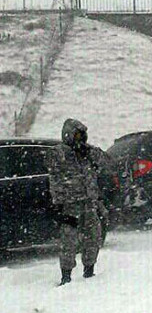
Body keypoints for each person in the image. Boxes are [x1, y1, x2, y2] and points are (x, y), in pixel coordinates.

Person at [46, 118, 113, 285]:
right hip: (70, 205)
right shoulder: (59, 153)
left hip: (89, 203)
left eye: (83, 135)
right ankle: (66, 276)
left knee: (93, 238)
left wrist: (89, 152)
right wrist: (71, 152)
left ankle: (89, 271)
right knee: (68, 241)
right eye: (77, 135)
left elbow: (107, 163)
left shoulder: (87, 153)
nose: (81, 139)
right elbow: (52, 164)